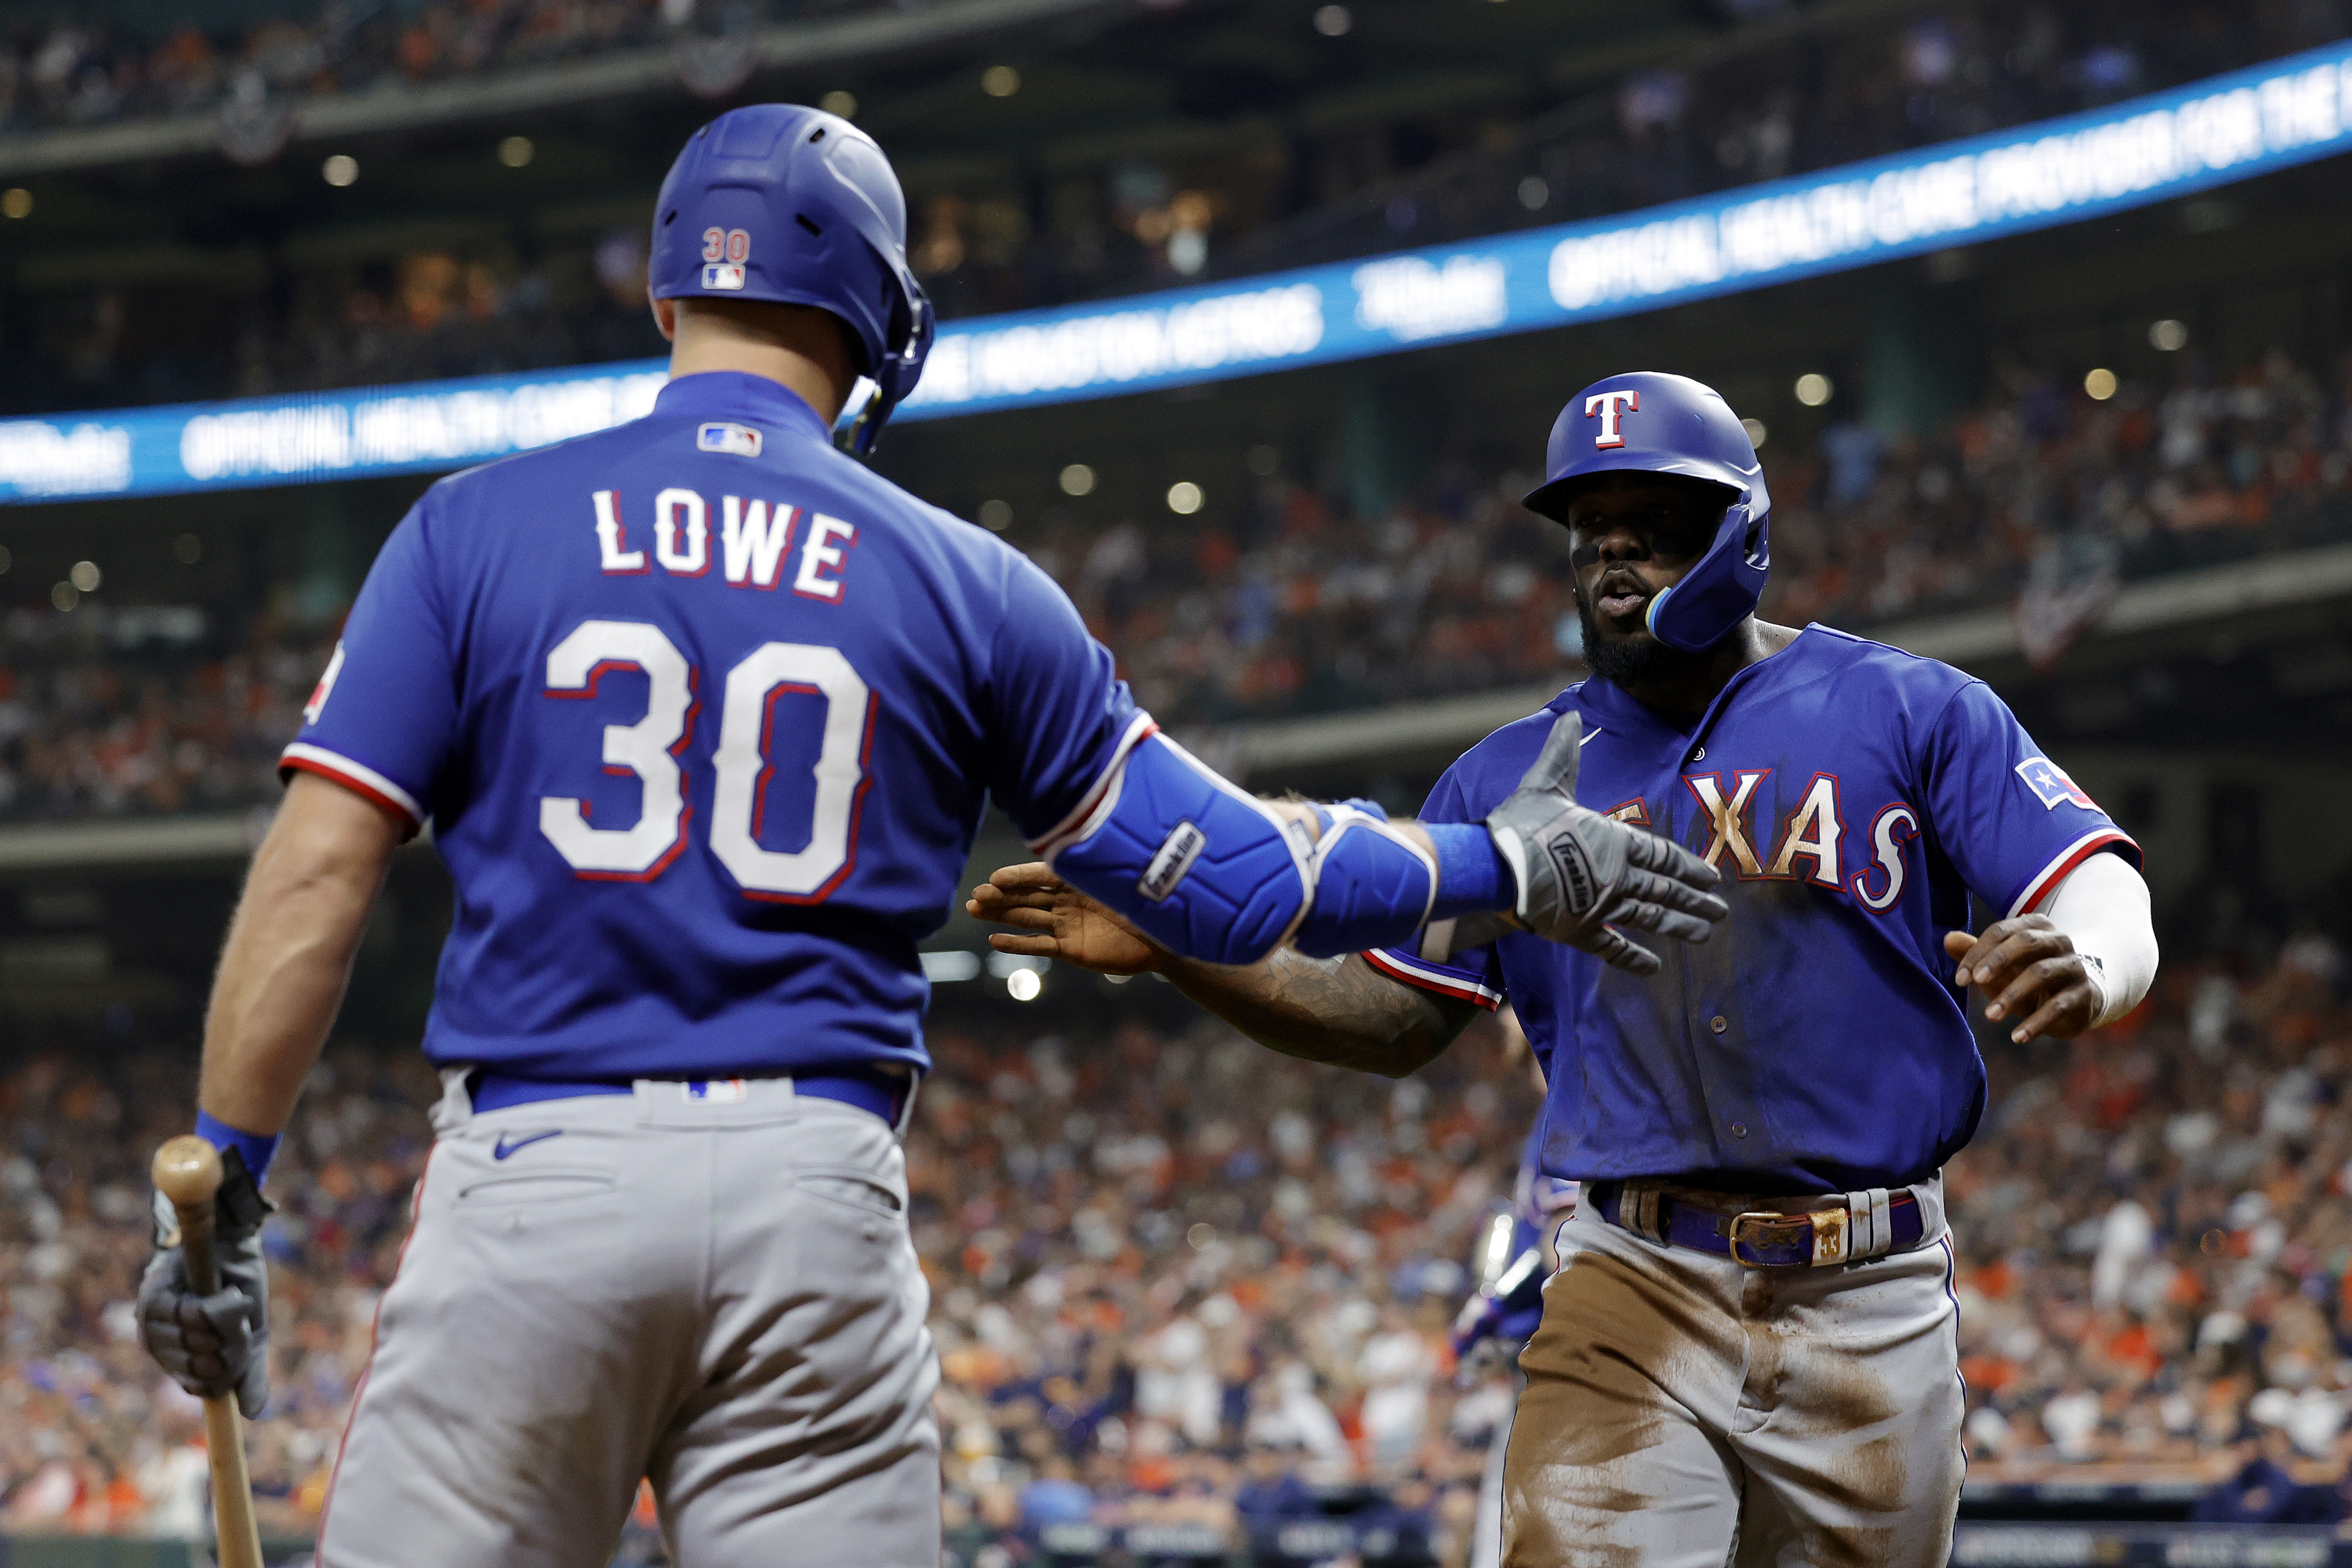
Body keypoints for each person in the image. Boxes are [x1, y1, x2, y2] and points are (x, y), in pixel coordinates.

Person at [129, 112, 1727, 1568]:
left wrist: (232, 1192)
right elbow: (1233, 878)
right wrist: (1506, 863)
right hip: (814, 1200)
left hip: (535, 1172)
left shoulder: (472, 527)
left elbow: (320, 872)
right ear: (881, 318)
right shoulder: (967, 580)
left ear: (669, 294)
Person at [970, 371, 2162, 1568]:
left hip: (1874, 1290)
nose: (1614, 554)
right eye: (1592, 532)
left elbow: (2099, 883)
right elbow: (1389, 1015)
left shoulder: (1907, 706)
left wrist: (2090, 958)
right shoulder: (1507, 778)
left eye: (1654, 522)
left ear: (1742, 531)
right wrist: (1182, 946)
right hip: (1634, 1278)